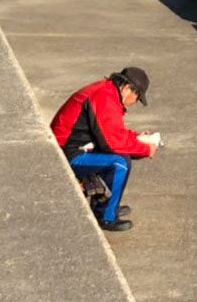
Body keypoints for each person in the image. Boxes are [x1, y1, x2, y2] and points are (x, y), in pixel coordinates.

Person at [50, 67, 161, 232]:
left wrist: (138, 138)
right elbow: (112, 143)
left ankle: (108, 205)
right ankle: (106, 216)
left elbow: (114, 132)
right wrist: (145, 150)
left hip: (79, 147)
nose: (135, 102)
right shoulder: (105, 97)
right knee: (120, 163)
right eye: (137, 98)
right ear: (127, 89)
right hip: (66, 154)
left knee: (119, 157)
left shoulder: (107, 92)